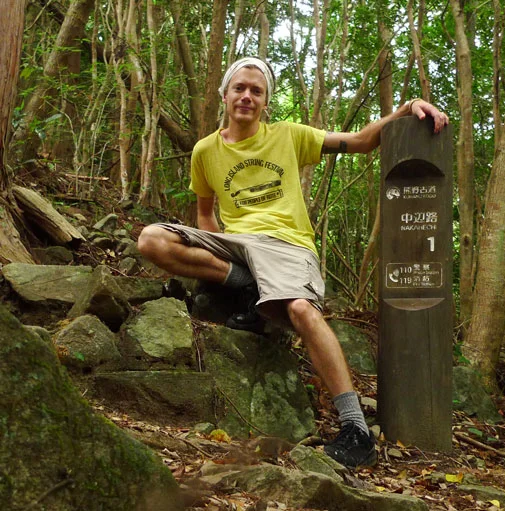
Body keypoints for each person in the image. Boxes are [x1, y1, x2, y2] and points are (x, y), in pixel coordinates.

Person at [137, 57, 449, 469]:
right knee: (152, 239)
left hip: (286, 245)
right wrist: (218, 260)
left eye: (256, 91)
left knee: (301, 308)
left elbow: (360, 141)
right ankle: (245, 282)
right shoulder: (205, 150)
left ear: (265, 102)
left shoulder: (289, 135)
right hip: (236, 243)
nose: (247, 96)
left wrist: (406, 108)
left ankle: (355, 428)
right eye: (239, 88)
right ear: (225, 95)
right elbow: (205, 213)